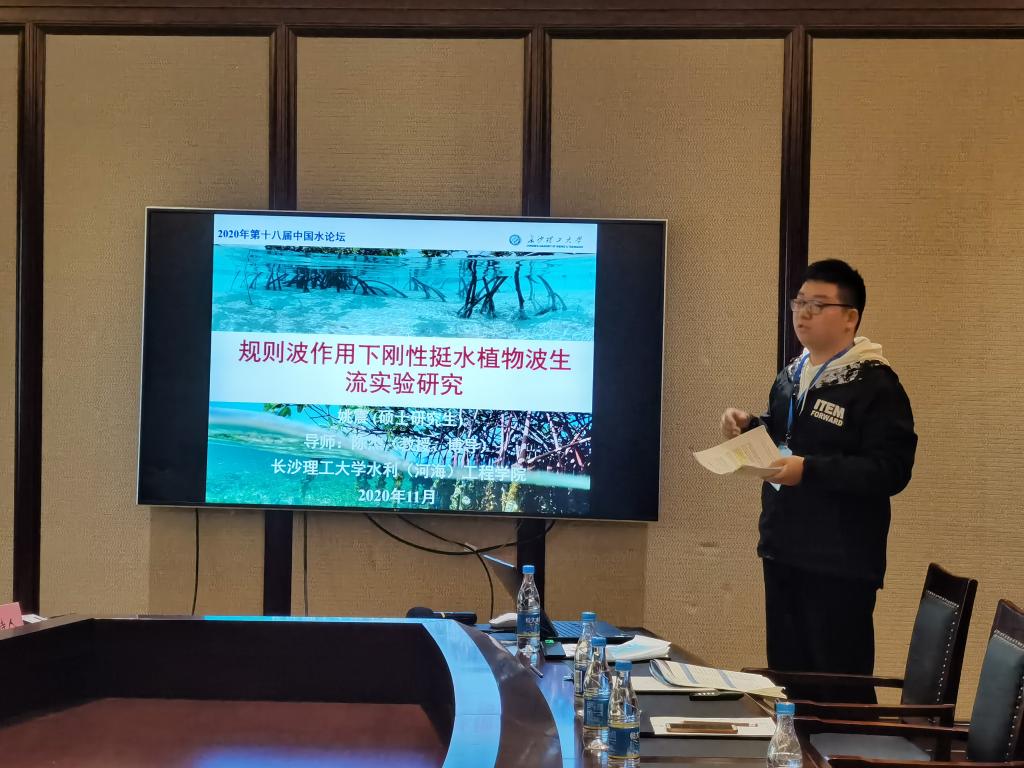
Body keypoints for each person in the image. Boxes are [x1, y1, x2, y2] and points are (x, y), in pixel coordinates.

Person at [720, 259, 917, 702]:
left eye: (818, 304)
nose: (803, 313)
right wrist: (751, 425)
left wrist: (809, 470)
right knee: (789, 685)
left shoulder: (875, 383)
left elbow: (891, 469)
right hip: (782, 549)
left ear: (850, 317)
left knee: (836, 687)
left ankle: (845, 743)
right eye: (800, 302)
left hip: (838, 561)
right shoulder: (792, 376)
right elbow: (787, 437)